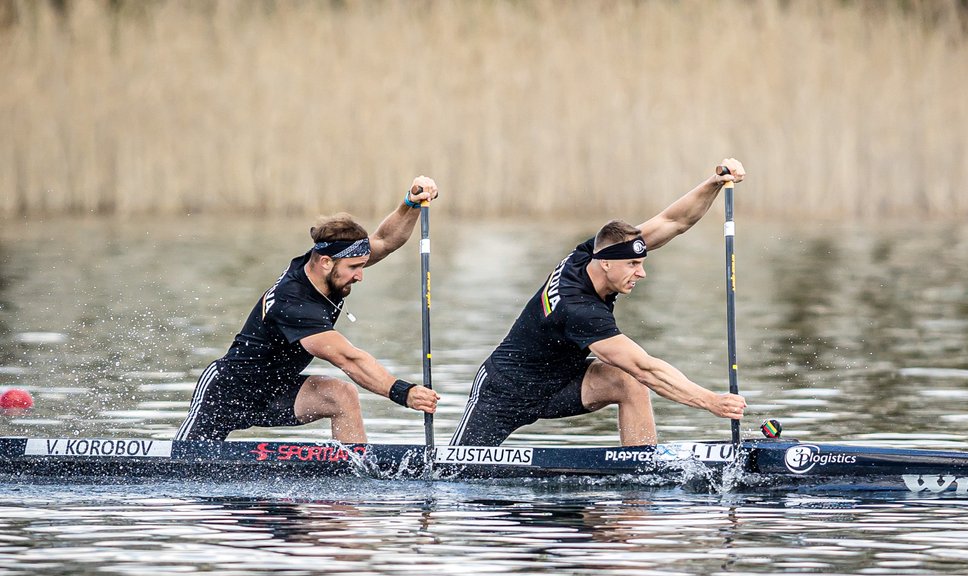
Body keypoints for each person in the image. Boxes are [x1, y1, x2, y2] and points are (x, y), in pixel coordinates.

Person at [450, 160, 748, 447]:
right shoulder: (578, 309)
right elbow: (647, 368)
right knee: (454, 471)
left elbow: (673, 221)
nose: (641, 273)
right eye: (633, 264)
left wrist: (714, 183)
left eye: (641, 262)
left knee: (627, 382)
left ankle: (642, 468)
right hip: (504, 392)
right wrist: (712, 401)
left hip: (562, 384)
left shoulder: (588, 253)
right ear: (606, 264)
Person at [176, 178, 441, 443]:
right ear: (326, 263)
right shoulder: (293, 303)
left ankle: (354, 473)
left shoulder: (327, 263)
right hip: (228, 392)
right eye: (354, 268)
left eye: (362, 265)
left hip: (280, 389)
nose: (360, 276)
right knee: (181, 468)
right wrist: (403, 392)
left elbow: (384, 240)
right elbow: (348, 359)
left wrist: (410, 204)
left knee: (341, 396)